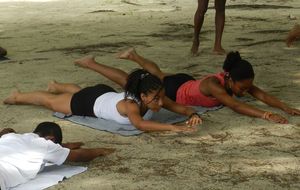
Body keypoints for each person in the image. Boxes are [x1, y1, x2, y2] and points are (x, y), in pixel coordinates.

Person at [113, 48, 300, 124]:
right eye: (241, 88)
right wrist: (266, 115)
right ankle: (133, 58)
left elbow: (263, 95)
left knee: (160, 74)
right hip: (176, 90)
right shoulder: (215, 86)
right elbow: (235, 105)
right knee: (153, 77)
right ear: (230, 79)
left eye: (246, 88)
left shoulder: (237, 81)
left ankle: (134, 55)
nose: (244, 91)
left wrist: (285, 107)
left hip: (187, 81)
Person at [3, 69, 202, 132]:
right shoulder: (131, 106)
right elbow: (140, 124)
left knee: (79, 92)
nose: (160, 103)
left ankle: (58, 85)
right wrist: (174, 128)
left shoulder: (152, 97)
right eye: (156, 99)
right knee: (49, 101)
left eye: (160, 97)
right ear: (143, 97)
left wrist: (192, 114)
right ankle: (17, 97)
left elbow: (179, 107)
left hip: (103, 94)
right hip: (89, 103)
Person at [0, 122, 115, 190]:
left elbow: (6, 131)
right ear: (51, 139)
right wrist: (99, 151)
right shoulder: (44, 145)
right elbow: (80, 156)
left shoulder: (12, 137)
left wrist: (65, 146)